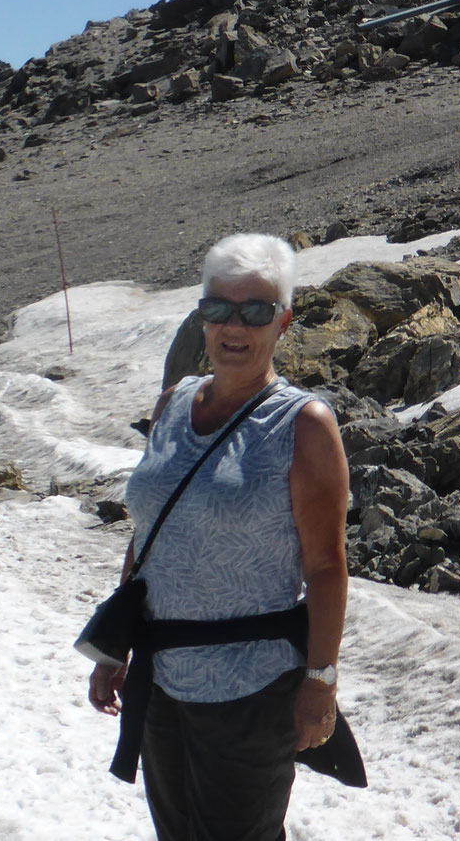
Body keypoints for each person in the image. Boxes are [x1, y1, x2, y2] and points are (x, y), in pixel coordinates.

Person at [87, 233, 355, 839]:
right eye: (218, 308)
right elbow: (149, 531)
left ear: (283, 323)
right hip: (160, 680)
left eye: (255, 310)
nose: (235, 325)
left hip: (251, 688)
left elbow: (326, 568)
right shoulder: (174, 404)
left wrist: (321, 683)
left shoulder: (303, 425)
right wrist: (115, 646)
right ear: (200, 317)